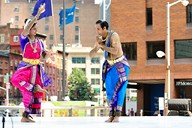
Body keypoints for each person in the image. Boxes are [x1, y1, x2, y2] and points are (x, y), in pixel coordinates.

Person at [11, 4, 54, 122]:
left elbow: (43, 56)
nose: (35, 30)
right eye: (33, 28)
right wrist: (38, 14)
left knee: (31, 93)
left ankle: (26, 115)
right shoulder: (24, 39)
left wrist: (48, 55)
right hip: (26, 68)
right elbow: (27, 28)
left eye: (36, 28)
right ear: (28, 29)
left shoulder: (40, 42)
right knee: (25, 87)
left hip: (36, 69)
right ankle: (35, 88)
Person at [90, 20, 130, 122]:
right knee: (109, 91)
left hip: (120, 64)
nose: (97, 31)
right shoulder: (101, 39)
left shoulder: (113, 35)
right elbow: (91, 54)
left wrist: (102, 46)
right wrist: (97, 46)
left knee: (120, 90)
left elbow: (115, 51)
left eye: (98, 29)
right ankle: (111, 114)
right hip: (110, 65)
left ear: (104, 28)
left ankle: (117, 115)